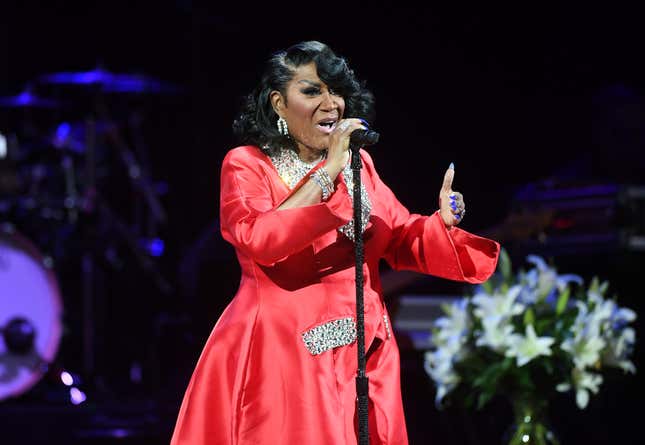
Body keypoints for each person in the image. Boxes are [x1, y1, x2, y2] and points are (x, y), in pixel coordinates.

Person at [171, 41, 500, 445]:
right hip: (283, 350)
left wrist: (440, 224)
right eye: (312, 91)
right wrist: (327, 174)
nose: (332, 104)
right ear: (278, 103)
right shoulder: (247, 164)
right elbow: (260, 238)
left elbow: (396, 236)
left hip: (360, 352)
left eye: (337, 91)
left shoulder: (359, 165)